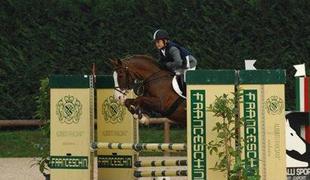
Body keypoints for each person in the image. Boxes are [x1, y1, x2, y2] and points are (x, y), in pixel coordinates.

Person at [153, 29, 197, 95]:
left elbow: (178, 63)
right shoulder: (161, 50)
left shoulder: (172, 49)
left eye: (158, 42)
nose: (157, 44)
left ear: (165, 41)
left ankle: (186, 96)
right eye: (155, 42)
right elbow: (161, 62)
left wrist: (167, 65)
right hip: (181, 64)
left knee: (180, 76)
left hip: (189, 63)